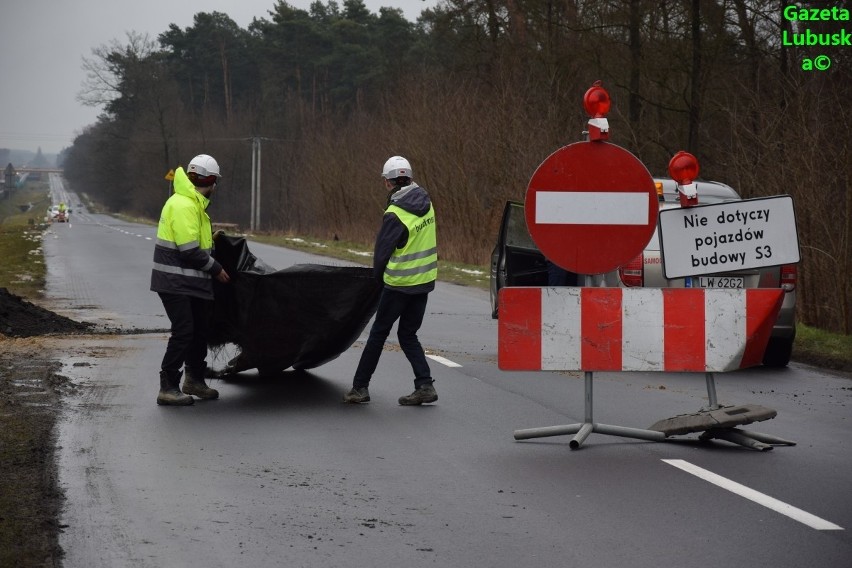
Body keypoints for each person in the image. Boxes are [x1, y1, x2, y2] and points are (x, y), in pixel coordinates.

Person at [344, 156, 438, 406]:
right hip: (423, 282)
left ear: (388, 182)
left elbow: (382, 252)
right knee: (408, 334)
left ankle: (359, 388)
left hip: (399, 284)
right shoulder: (427, 204)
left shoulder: (396, 213)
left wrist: (376, 280)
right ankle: (425, 385)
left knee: (377, 334)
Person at [150, 154, 230, 406]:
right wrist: (216, 268)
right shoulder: (184, 204)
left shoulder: (192, 203)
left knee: (199, 331)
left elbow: (195, 242)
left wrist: (213, 240)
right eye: (215, 181)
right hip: (175, 281)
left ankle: (194, 380)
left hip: (188, 281)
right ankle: (168, 386)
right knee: (184, 331)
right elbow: (188, 249)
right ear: (211, 181)